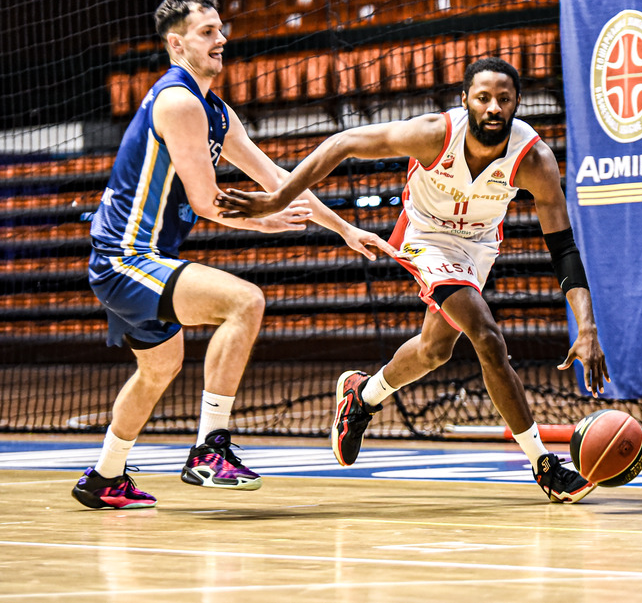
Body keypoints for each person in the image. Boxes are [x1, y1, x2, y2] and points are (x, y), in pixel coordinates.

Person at [216, 56, 611, 503]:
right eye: (483, 97)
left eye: (503, 99)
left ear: (517, 102)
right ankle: (543, 464)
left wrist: (587, 326)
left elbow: (563, 248)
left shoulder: (534, 159)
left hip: (478, 244)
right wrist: (276, 200)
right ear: (465, 100)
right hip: (425, 235)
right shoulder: (434, 134)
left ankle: (362, 395)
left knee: (435, 350)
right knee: (486, 336)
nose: (493, 107)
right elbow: (343, 142)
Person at [71, 0, 397, 510]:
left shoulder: (215, 111)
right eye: (207, 32)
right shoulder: (178, 101)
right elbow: (206, 201)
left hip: (143, 260)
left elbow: (277, 178)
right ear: (177, 44)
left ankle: (105, 476)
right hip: (126, 258)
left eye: (220, 29)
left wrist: (343, 229)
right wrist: (266, 222)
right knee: (245, 302)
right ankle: (210, 448)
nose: (221, 39)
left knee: (158, 369)